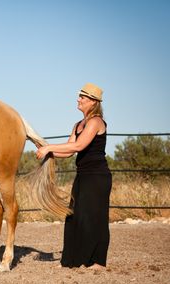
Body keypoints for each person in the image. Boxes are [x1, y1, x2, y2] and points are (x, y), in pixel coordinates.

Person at [36, 83, 112, 270]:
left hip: (97, 177)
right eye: (79, 96)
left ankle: (98, 262)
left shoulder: (96, 122)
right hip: (83, 176)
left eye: (82, 97)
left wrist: (49, 147)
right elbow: (69, 151)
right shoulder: (78, 125)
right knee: (75, 217)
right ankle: (75, 259)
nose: (78, 99)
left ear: (93, 102)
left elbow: (78, 146)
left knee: (94, 217)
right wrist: (48, 152)